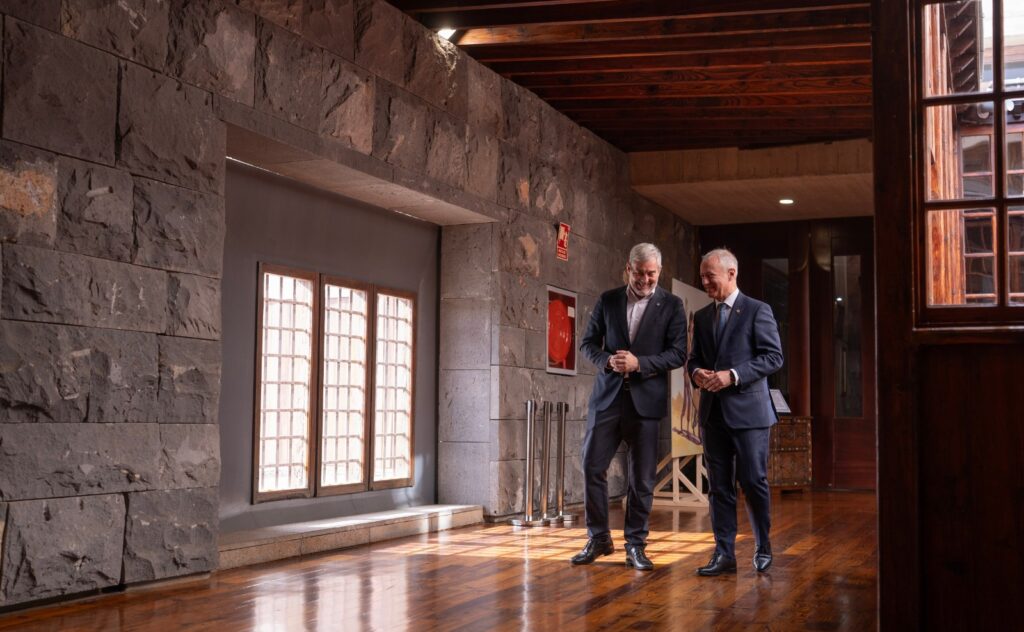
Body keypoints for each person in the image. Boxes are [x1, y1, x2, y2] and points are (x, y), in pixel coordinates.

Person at [572, 243, 687, 571]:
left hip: (646, 403)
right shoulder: (608, 300)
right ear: (628, 269)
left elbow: (678, 353)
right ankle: (598, 538)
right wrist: (608, 360)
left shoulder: (672, 305)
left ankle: (635, 544)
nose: (645, 280)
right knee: (592, 466)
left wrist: (640, 364)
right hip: (607, 399)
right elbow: (587, 344)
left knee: (642, 479)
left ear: (659, 271)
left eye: (651, 274)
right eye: (639, 273)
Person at [688, 248, 784, 575]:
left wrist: (733, 375)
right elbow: (694, 359)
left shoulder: (758, 310)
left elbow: (773, 357)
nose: (704, 282)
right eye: (702, 277)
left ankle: (763, 547)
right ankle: (724, 554)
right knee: (719, 488)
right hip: (712, 415)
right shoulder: (702, 316)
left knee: (753, 482)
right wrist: (696, 373)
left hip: (750, 415)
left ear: (731, 274)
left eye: (709, 276)